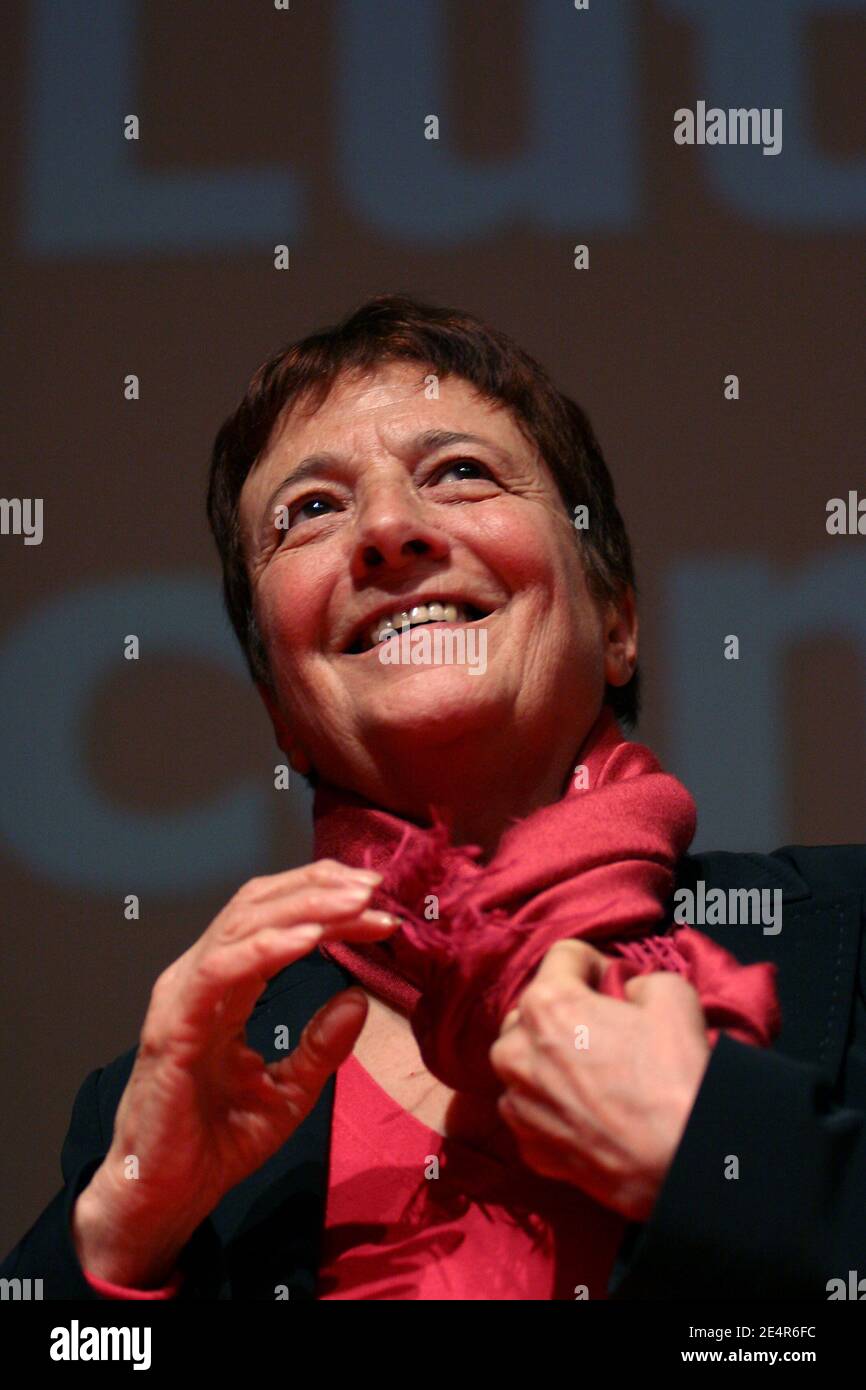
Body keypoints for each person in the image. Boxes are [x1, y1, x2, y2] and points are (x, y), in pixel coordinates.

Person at [3, 295, 864, 1300]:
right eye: (310, 511)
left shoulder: (847, 939)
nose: (386, 529)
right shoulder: (157, 1106)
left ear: (617, 618)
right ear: (278, 707)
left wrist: (717, 1148)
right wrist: (117, 1241)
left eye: (458, 473)